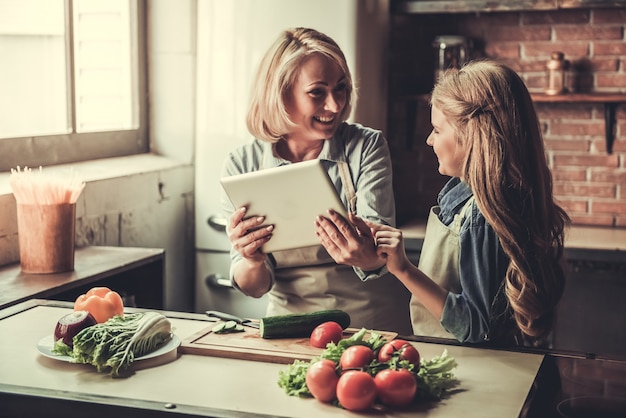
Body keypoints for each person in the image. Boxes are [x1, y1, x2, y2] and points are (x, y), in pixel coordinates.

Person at [358, 60, 570, 346]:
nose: (429, 140)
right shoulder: (478, 196)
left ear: (472, 134)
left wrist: (402, 268)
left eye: (437, 129)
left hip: (479, 368)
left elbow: (478, 328)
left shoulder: (482, 216)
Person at [221, 27, 412, 334]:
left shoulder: (366, 147)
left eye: (341, 88)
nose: (335, 105)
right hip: (291, 327)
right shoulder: (242, 164)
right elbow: (253, 288)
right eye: (317, 92)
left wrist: (366, 255)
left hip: (370, 324)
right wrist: (252, 260)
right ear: (281, 94)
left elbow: (380, 255)